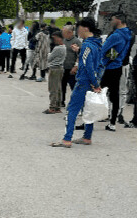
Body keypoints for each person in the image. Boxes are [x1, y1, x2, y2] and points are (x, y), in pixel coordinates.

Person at [52, 18, 103, 148]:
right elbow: (100, 65)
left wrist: (94, 83)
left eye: (78, 28)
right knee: (89, 110)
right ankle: (87, 137)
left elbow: (87, 66)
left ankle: (67, 139)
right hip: (92, 82)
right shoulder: (97, 44)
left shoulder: (87, 45)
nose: (77, 31)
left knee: (72, 110)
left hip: (84, 82)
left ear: (85, 28)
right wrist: (96, 82)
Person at [100, 13, 133, 132]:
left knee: (97, 92)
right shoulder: (129, 34)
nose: (110, 22)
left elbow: (103, 50)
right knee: (115, 94)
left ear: (118, 20)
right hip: (118, 66)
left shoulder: (116, 35)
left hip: (109, 67)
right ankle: (112, 122)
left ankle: (89, 120)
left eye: (112, 19)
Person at [44, 31, 66, 114]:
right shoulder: (64, 47)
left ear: (59, 38)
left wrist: (49, 53)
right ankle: (58, 106)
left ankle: (52, 107)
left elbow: (49, 58)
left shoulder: (57, 48)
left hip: (54, 68)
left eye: (55, 38)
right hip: (60, 68)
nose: (54, 40)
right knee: (59, 88)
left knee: (53, 88)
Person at [61, 25, 81, 107]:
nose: (63, 34)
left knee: (73, 86)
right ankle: (62, 101)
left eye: (64, 32)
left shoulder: (76, 41)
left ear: (70, 32)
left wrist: (76, 66)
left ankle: (75, 103)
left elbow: (80, 55)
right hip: (63, 67)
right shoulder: (63, 40)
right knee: (62, 85)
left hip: (72, 68)